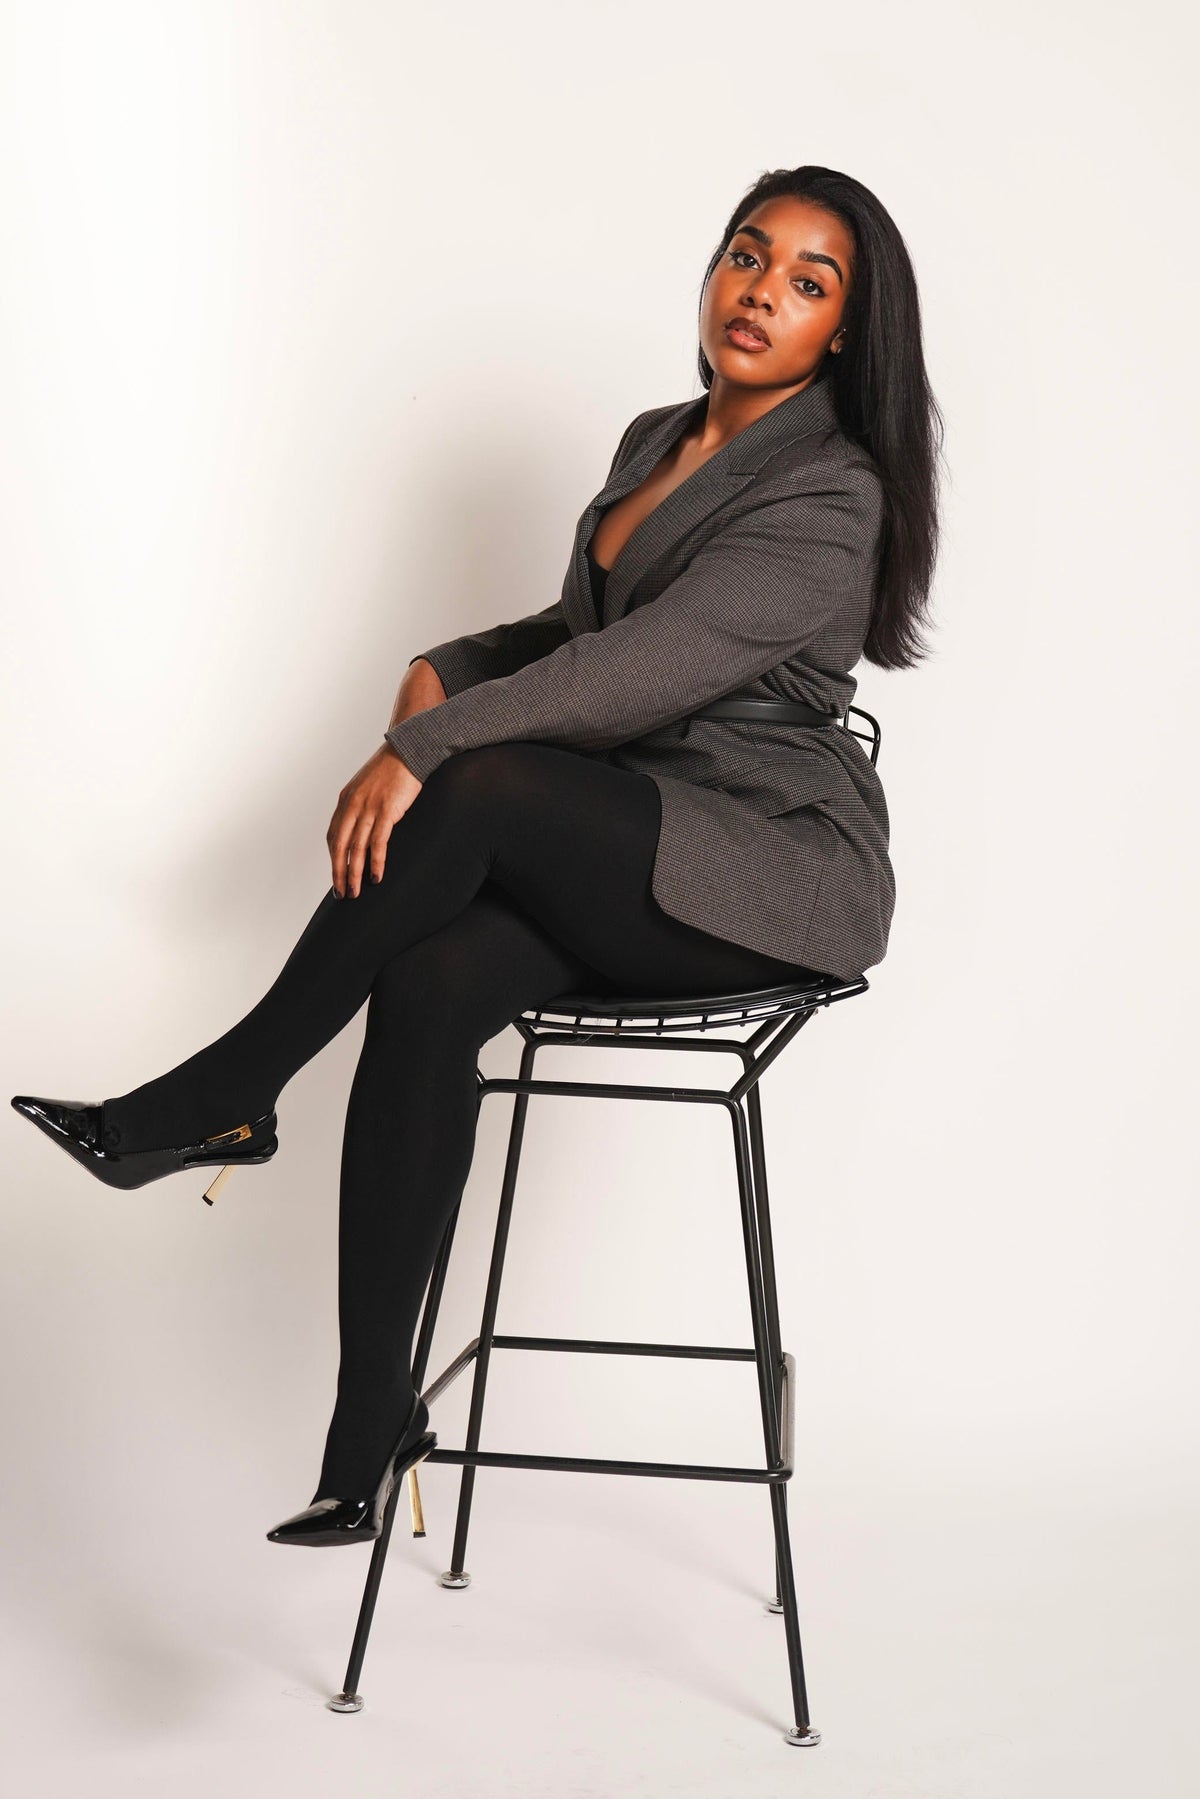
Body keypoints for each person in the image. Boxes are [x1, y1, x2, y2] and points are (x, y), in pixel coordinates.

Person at [13, 163, 942, 1548]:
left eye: (808, 282)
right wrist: (447, 667)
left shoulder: (832, 491)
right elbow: (582, 635)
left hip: (767, 866)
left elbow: (647, 669)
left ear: (844, 332)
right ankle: (368, 1430)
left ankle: (226, 1092)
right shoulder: (657, 439)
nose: (761, 293)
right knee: (431, 977)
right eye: (748, 256)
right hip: (632, 838)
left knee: (486, 786)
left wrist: (426, 744)